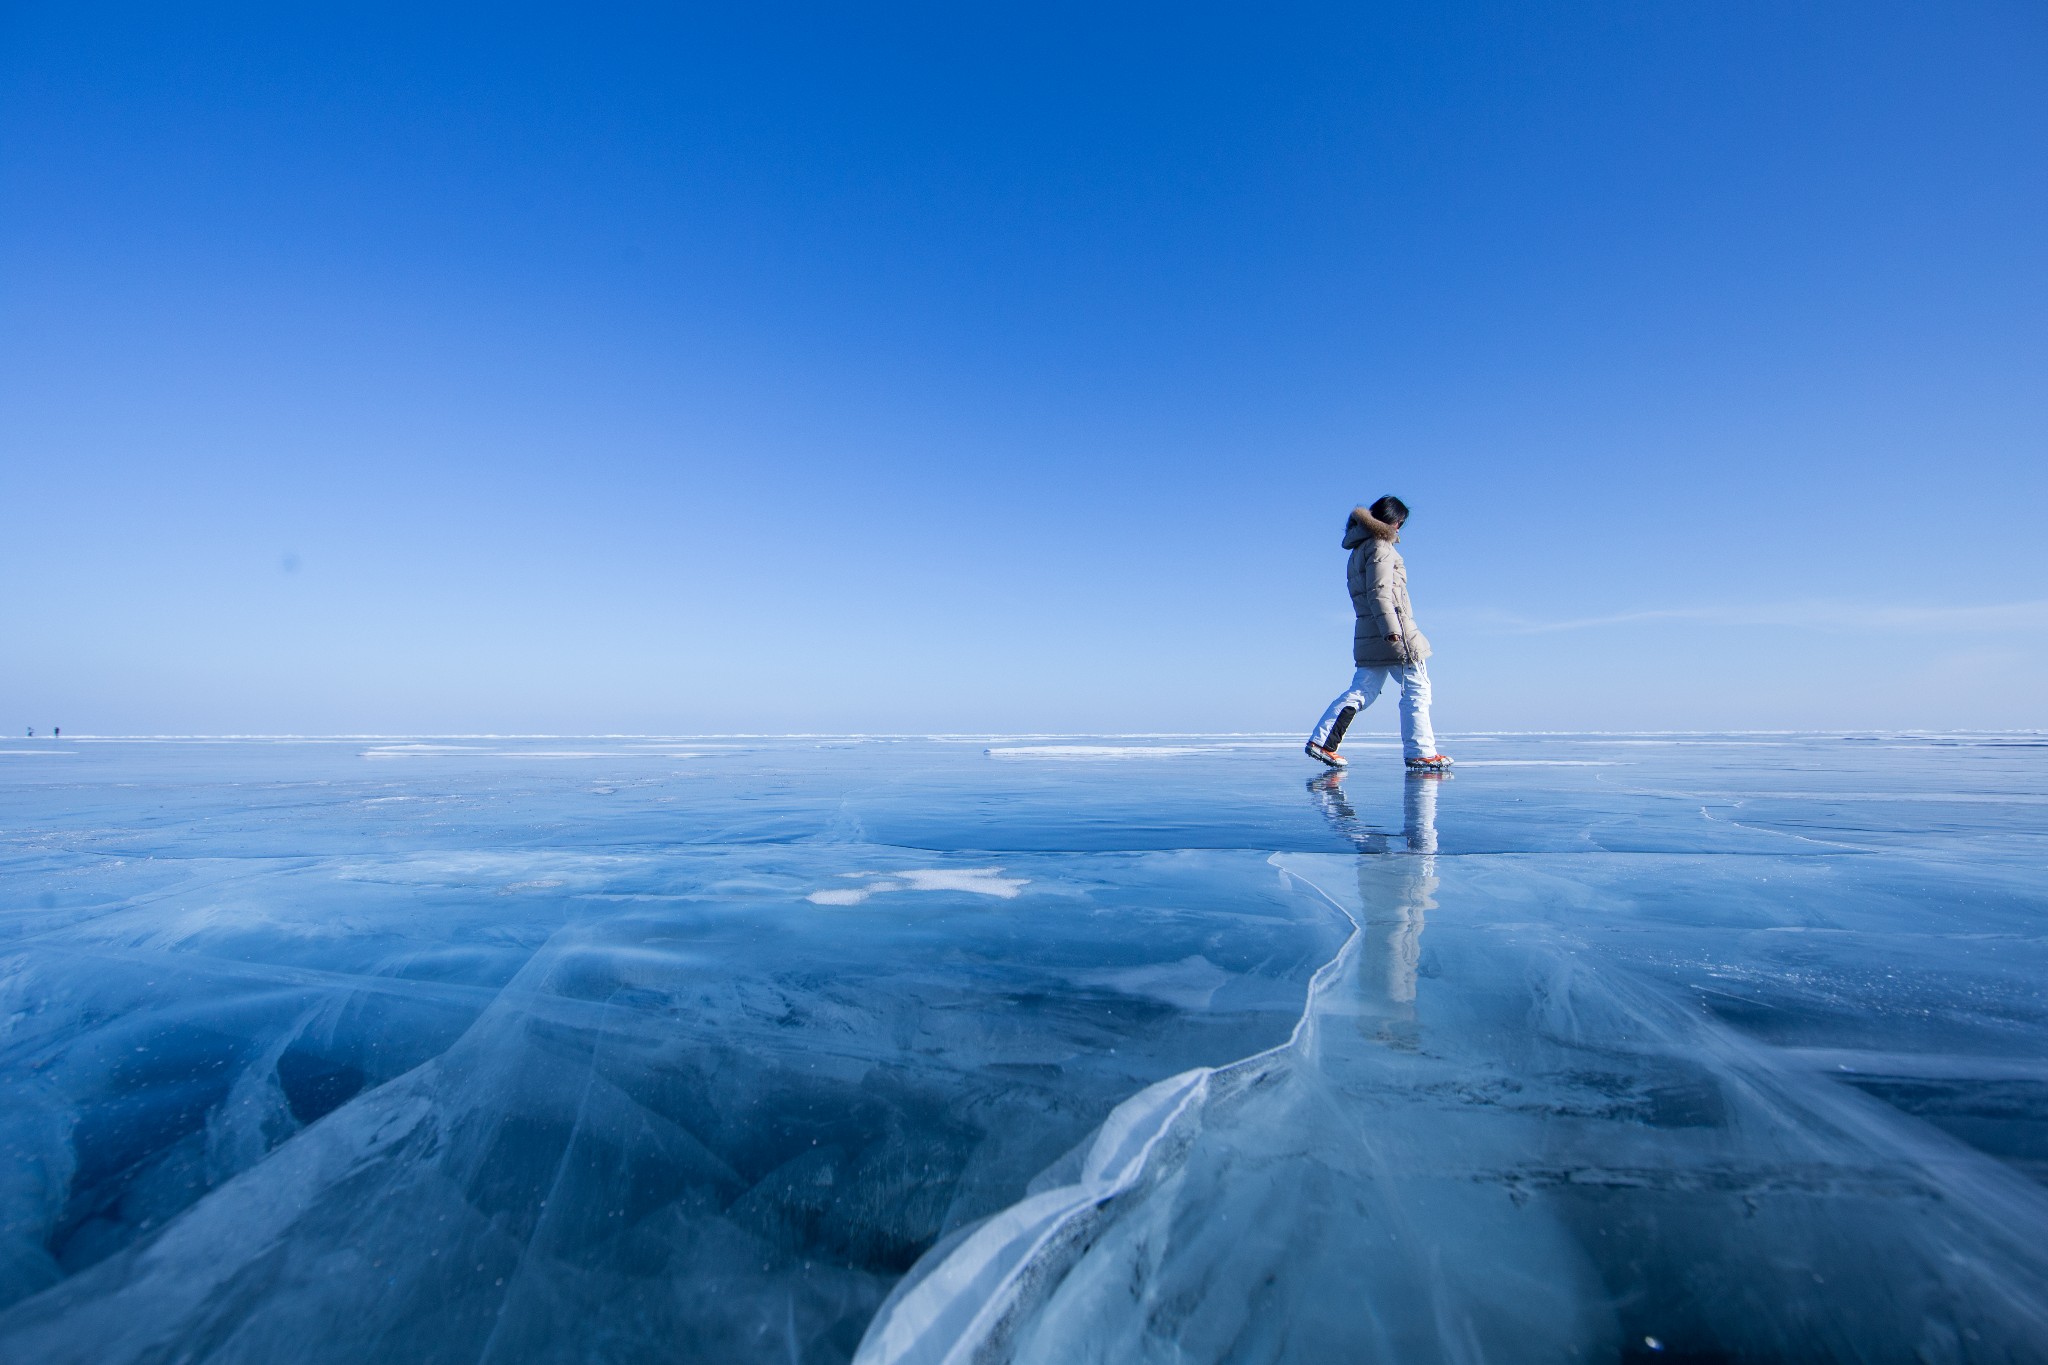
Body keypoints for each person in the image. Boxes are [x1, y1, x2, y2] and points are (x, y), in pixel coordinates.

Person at [1304, 495, 1453, 773]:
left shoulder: (1359, 548)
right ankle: (1421, 752)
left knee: (1363, 689)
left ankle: (1323, 742)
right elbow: (1380, 592)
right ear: (1393, 521)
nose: (1399, 528)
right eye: (1400, 523)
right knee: (1417, 690)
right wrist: (1392, 630)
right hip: (1393, 631)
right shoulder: (1381, 547)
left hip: (1369, 631)